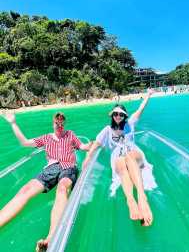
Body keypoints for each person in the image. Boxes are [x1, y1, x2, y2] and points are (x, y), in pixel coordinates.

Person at [0, 112, 92, 251]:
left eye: (62, 123)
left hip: (68, 167)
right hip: (51, 168)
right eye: (57, 123)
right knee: (26, 189)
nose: (59, 125)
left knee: (62, 189)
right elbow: (25, 142)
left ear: (64, 124)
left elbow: (83, 147)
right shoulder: (46, 138)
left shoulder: (70, 135)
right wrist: (13, 123)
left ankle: (51, 238)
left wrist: (96, 143)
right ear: (53, 123)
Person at [82, 90, 157, 226]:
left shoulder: (130, 123)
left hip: (134, 153)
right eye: (115, 114)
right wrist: (87, 158)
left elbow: (141, 108)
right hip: (118, 158)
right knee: (122, 163)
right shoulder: (107, 130)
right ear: (112, 115)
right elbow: (96, 144)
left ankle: (141, 196)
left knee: (128, 155)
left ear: (124, 115)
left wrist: (148, 95)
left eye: (120, 114)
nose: (118, 116)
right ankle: (130, 200)